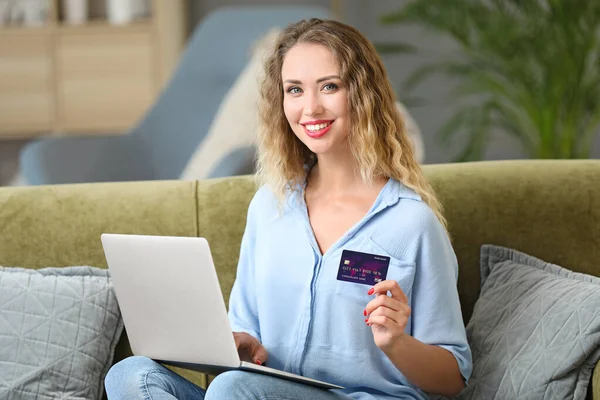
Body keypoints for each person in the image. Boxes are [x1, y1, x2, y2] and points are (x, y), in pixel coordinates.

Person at [104, 17, 472, 400]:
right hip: (257, 392)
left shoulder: (411, 222)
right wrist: (243, 346)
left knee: (233, 390)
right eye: (294, 90)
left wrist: (396, 342)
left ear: (364, 94)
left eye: (329, 86)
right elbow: (246, 339)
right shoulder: (269, 207)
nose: (310, 108)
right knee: (131, 375)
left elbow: (452, 378)